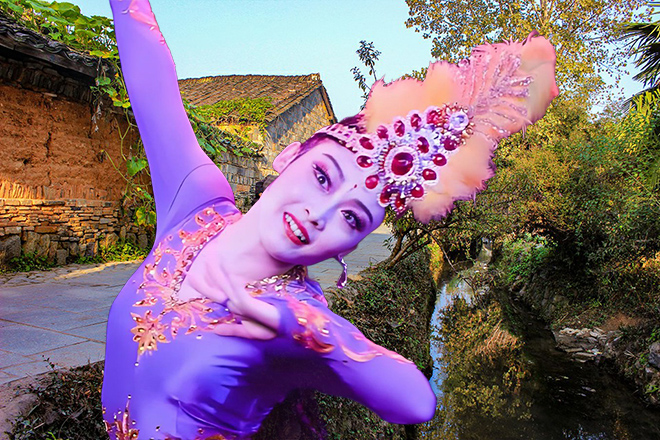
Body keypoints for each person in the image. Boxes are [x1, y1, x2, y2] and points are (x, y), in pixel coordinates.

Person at [102, 1, 558, 439]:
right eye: (322, 177)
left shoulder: (295, 316)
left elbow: (417, 402)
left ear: (351, 246)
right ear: (289, 156)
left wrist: (300, 330)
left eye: (351, 218)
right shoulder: (195, 206)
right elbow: (150, 77)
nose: (318, 215)